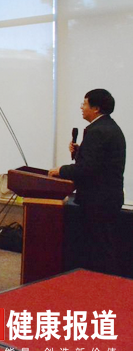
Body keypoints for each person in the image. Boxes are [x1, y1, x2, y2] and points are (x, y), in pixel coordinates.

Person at [49, 89, 126, 275]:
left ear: (96, 108)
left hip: (98, 200)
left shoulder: (97, 131)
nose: (81, 107)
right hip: (107, 197)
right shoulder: (109, 127)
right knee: (102, 245)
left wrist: (61, 170)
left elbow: (88, 169)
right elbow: (99, 162)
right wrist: (79, 152)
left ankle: (103, 285)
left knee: (100, 248)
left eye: (84, 104)